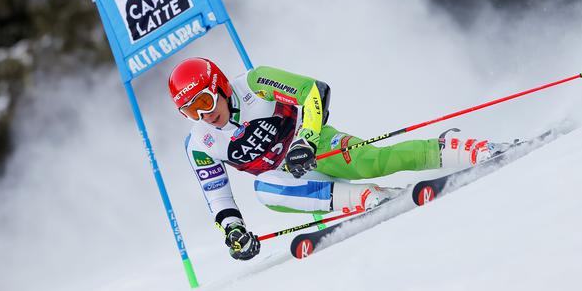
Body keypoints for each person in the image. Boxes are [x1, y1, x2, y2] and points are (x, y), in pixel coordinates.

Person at [168, 57, 508, 261]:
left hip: (314, 146)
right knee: (263, 188)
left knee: (372, 163)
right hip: (290, 176)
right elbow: (217, 195)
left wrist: (307, 139)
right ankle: (367, 199)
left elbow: (314, 90)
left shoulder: (255, 84)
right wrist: (234, 231)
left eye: (205, 102)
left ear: (221, 87)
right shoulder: (200, 143)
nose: (203, 115)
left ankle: (461, 147)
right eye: (190, 110)